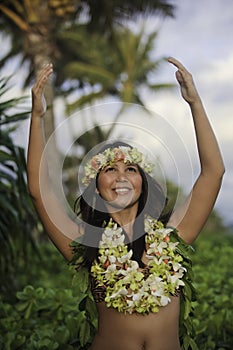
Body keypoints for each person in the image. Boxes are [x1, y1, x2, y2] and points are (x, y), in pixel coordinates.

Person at [27, 57, 225, 350]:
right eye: (110, 169)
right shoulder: (85, 244)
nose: (122, 176)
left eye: (131, 169)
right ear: (97, 186)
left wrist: (195, 104)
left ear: (142, 182)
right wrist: (37, 118)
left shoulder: (172, 237)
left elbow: (214, 172)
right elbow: (39, 191)